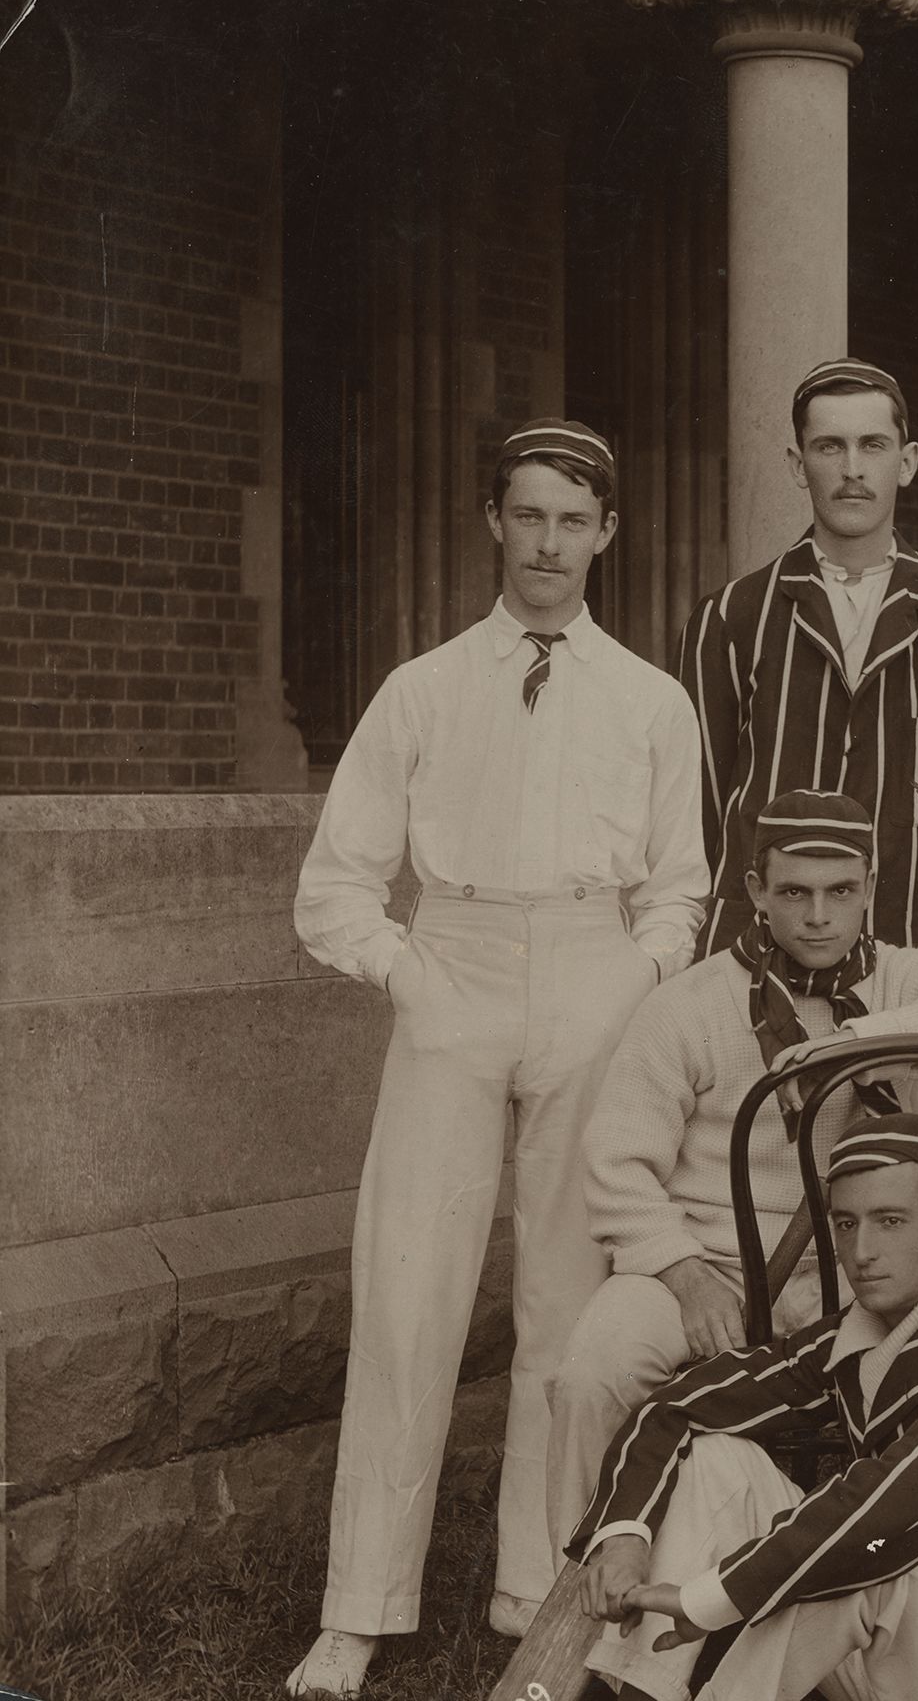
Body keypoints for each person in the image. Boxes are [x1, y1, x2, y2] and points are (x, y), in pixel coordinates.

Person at [287, 419, 708, 1697]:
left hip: (592, 977)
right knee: (411, 1285)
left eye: (573, 521)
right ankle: (361, 1606)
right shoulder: (422, 686)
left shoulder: (649, 697)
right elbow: (333, 887)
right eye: (527, 515)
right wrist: (414, 974)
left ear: (607, 535)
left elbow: (681, 889)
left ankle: (538, 1579)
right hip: (454, 967)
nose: (548, 543)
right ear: (493, 520)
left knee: (566, 1304)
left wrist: (630, 981)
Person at [542, 789, 918, 1553]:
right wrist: (681, 1272)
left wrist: (851, 1042)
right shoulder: (689, 1005)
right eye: (794, 892)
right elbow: (616, 1167)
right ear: (755, 892)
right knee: (591, 1376)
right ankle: (577, 1602)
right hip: (705, 1266)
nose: (818, 916)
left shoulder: (905, 980)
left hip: (863, 1271)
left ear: (870, 888)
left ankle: (910, 1578)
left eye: (841, 892)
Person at [563, 1115, 918, 1701]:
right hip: (910, 1644)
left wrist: (713, 1595)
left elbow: (892, 1511)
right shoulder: (851, 1338)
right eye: (845, 1223)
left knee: (865, 1555)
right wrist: (626, 1536)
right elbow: (677, 1406)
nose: (861, 1252)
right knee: (716, 1461)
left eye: (891, 1221)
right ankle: (633, 1692)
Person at [680, 357, 918, 972]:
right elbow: (700, 810)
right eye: (828, 446)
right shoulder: (732, 616)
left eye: (873, 444)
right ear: (797, 464)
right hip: (762, 961)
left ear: (908, 460)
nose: (851, 469)